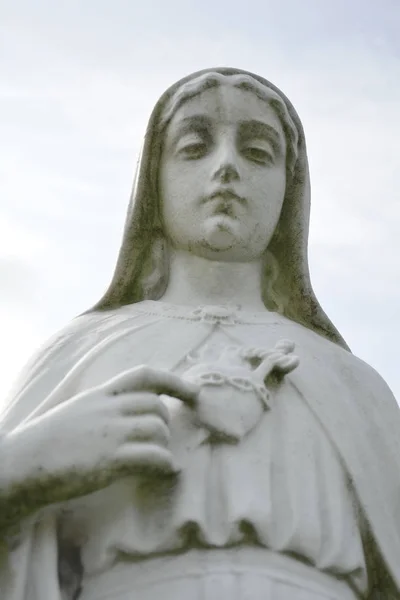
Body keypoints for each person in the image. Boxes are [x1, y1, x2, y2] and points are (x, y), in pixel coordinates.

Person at [1, 68, 399, 600]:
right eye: (194, 146)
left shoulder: (352, 384)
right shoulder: (79, 355)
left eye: (258, 153)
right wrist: (25, 464)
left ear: (289, 191)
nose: (227, 166)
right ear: (154, 181)